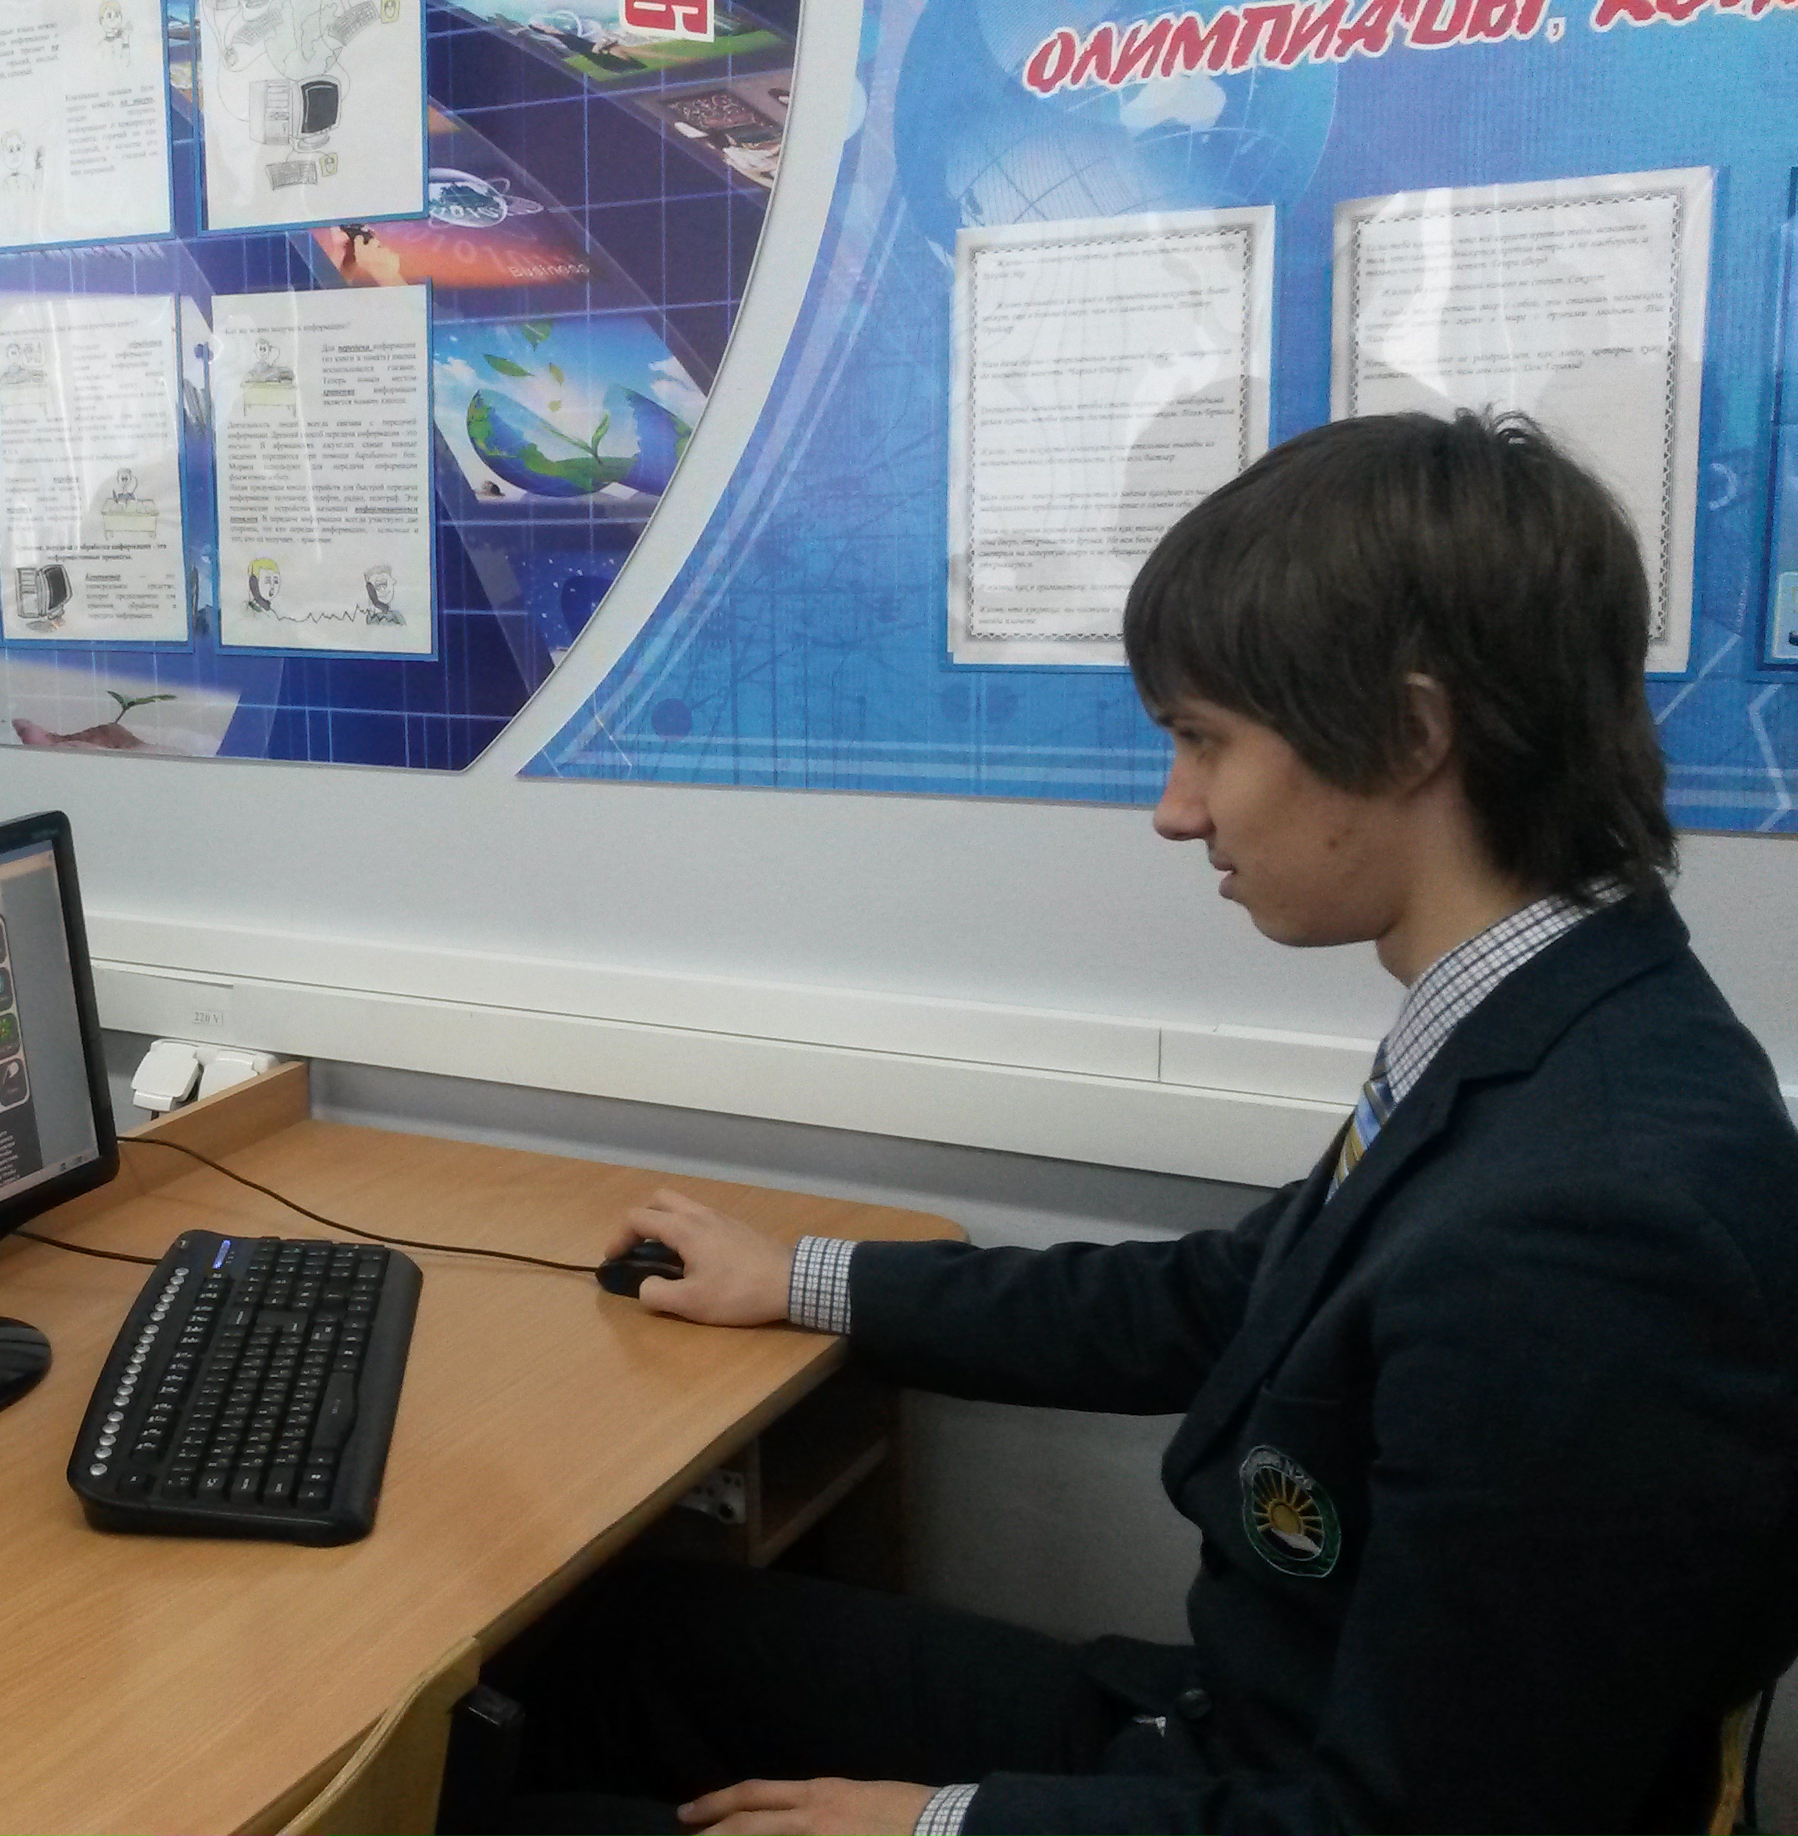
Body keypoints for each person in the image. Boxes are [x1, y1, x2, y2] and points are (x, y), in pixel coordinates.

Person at [502, 411, 1798, 1836]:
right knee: (611, 1650)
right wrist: (803, 1277)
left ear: (1414, 733)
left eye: (1203, 741)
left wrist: (938, 1827)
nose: (1177, 811)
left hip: (1265, 1795)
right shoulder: (1553, 1023)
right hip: (1225, 1737)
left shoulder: (1589, 1235)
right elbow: (1229, 1297)